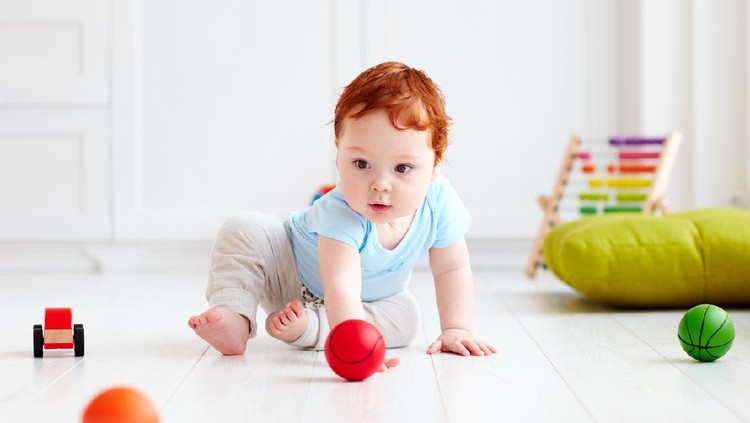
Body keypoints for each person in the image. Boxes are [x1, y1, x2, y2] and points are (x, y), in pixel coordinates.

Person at [188, 61, 496, 369]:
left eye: (402, 168)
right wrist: (355, 345)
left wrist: (456, 328)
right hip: (288, 273)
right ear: (339, 152)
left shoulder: (438, 202)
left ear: (435, 164)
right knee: (244, 228)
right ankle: (234, 316)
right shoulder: (341, 210)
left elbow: (452, 269)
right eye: (361, 164)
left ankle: (309, 327)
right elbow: (341, 284)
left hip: (364, 303)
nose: (380, 185)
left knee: (406, 319)